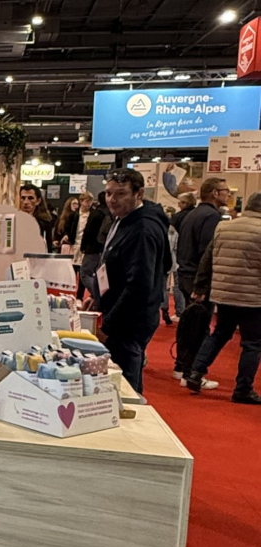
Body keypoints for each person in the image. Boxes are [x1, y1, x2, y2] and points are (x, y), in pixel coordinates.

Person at [184, 191, 261, 404]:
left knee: (220, 333)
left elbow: (207, 259)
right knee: (252, 343)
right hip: (253, 296)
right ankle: (243, 389)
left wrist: (200, 286)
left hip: (224, 292)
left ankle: (195, 372)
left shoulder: (224, 227)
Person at [96, 168, 168, 393]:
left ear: (139, 194)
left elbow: (138, 286)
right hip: (122, 314)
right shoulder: (123, 219)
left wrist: (108, 326)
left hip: (129, 321)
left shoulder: (142, 229)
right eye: (109, 193)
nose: (112, 200)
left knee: (125, 386)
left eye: (121, 194)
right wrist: (100, 297)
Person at [173, 176, 230, 381]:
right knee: (199, 327)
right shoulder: (211, 216)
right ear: (215, 193)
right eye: (226, 191)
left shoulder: (191, 214)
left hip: (186, 274)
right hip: (198, 278)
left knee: (188, 324)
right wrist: (203, 285)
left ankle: (181, 367)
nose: (228, 195)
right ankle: (190, 372)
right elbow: (207, 254)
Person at [76, 190, 108, 300]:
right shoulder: (112, 214)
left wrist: (83, 246)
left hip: (92, 248)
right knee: (100, 274)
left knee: (85, 273)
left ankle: (98, 295)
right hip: (105, 249)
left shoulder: (96, 214)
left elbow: (88, 231)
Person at [19, 183, 54, 249]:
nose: (26, 202)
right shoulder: (13, 220)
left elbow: (48, 245)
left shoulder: (44, 222)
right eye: (23, 198)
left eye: (30, 198)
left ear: (38, 201)